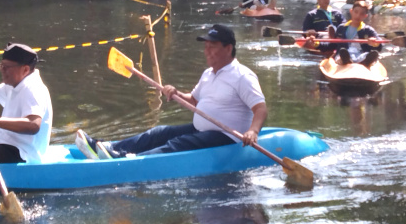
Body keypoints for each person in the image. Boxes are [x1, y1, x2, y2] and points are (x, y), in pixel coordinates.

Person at [75, 24, 268, 159]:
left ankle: (128, 159)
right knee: (159, 132)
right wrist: (175, 92)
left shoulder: (243, 75)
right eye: (206, 47)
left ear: (228, 48)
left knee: (180, 143)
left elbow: (260, 109)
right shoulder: (208, 73)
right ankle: (110, 147)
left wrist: (252, 131)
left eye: (212, 47)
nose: (207, 51)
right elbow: (193, 100)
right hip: (203, 129)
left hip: (227, 136)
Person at [328, 1, 382, 69]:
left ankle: (365, 62)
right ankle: (346, 61)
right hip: (345, 53)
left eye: (361, 14)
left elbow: (379, 43)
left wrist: (375, 43)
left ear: (365, 16)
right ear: (351, 11)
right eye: (356, 12)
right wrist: (317, 44)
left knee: (367, 54)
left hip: (361, 54)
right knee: (342, 53)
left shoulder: (368, 30)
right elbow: (332, 45)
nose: (358, 16)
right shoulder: (341, 28)